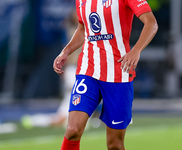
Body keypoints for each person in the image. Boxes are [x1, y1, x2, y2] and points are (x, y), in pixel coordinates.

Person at [53, 0, 158, 150]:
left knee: (114, 144)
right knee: (72, 130)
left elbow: (151, 23)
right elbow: (83, 29)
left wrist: (136, 51)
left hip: (118, 74)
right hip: (88, 71)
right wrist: (66, 51)